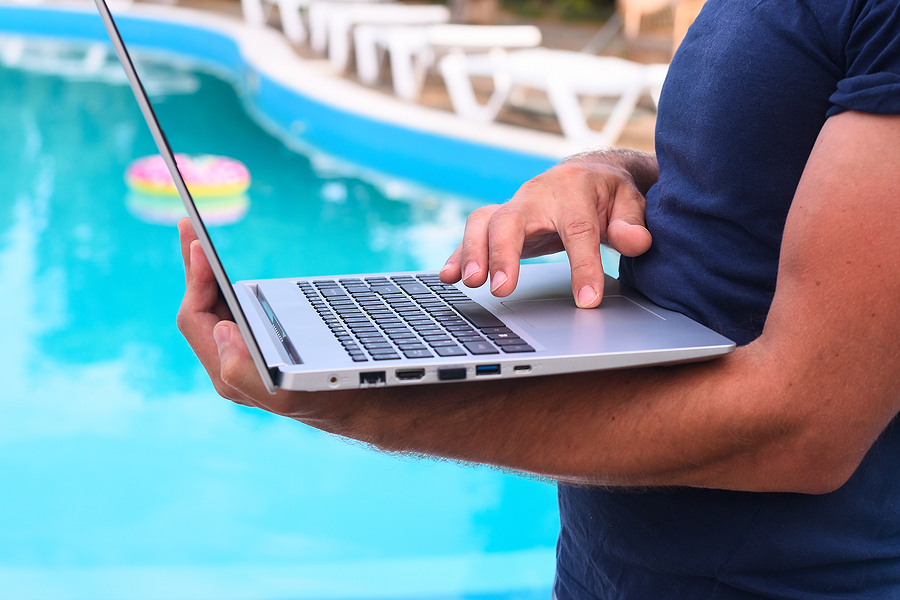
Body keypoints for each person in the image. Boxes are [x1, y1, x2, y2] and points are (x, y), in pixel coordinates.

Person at [176, 0, 900, 597]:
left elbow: (807, 425)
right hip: (610, 569)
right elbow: (760, 180)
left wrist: (358, 400)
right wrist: (608, 174)